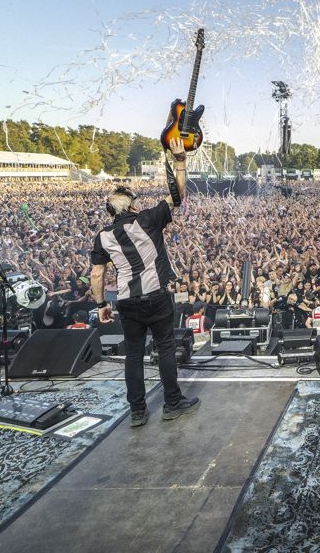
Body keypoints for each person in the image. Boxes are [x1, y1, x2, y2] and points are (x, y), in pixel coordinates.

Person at [90, 137, 199, 428]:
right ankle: (172, 403)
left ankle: (138, 411)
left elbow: (97, 274)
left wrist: (101, 304)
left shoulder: (102, 236)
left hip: (126, 301)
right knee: (165, 347)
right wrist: (180, 160)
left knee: (134, 354)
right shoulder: (148, 219)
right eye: (135, 202)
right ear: (130, 206)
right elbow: (178, 195)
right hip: (156, 295)